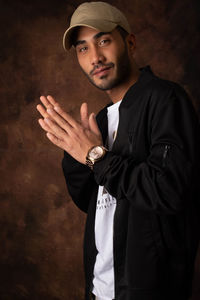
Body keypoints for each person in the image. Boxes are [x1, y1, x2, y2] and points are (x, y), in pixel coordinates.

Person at [36, 2, 200, 300]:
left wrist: (95, 154)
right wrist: (75, 152)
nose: (95, 57)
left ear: (130, 42)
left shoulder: (165, 100)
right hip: (100, 291)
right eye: (83, 48)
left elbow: (169, 191)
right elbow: (94, 202)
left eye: (104, 40)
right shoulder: (100, 120)